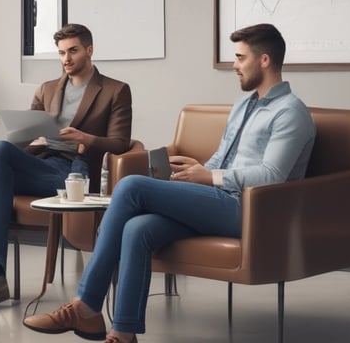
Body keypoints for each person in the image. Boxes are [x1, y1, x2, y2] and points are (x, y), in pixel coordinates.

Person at [23, 23, 316, 343]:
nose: (234, 65)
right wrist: (200, 169)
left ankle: (87, 305)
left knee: (132, 186)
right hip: (218, 199)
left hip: (250, 210)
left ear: (264, 60)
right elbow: (223, 158)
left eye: (240, 58)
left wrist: (210, 177)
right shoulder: (244, 105)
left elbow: (273, 176)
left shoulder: (291, 112)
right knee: (138, 229)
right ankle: (123, 332)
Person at [0, 23, 133, 314]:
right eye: (62, 52)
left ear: (89, 51)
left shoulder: (116, 91)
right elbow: (27, 139)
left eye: (73, 51)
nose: (66, 58)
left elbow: (121, 143)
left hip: (75, 172)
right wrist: (33, 140)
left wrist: (84, 139)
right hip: (42, 164)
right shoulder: (47, 89)